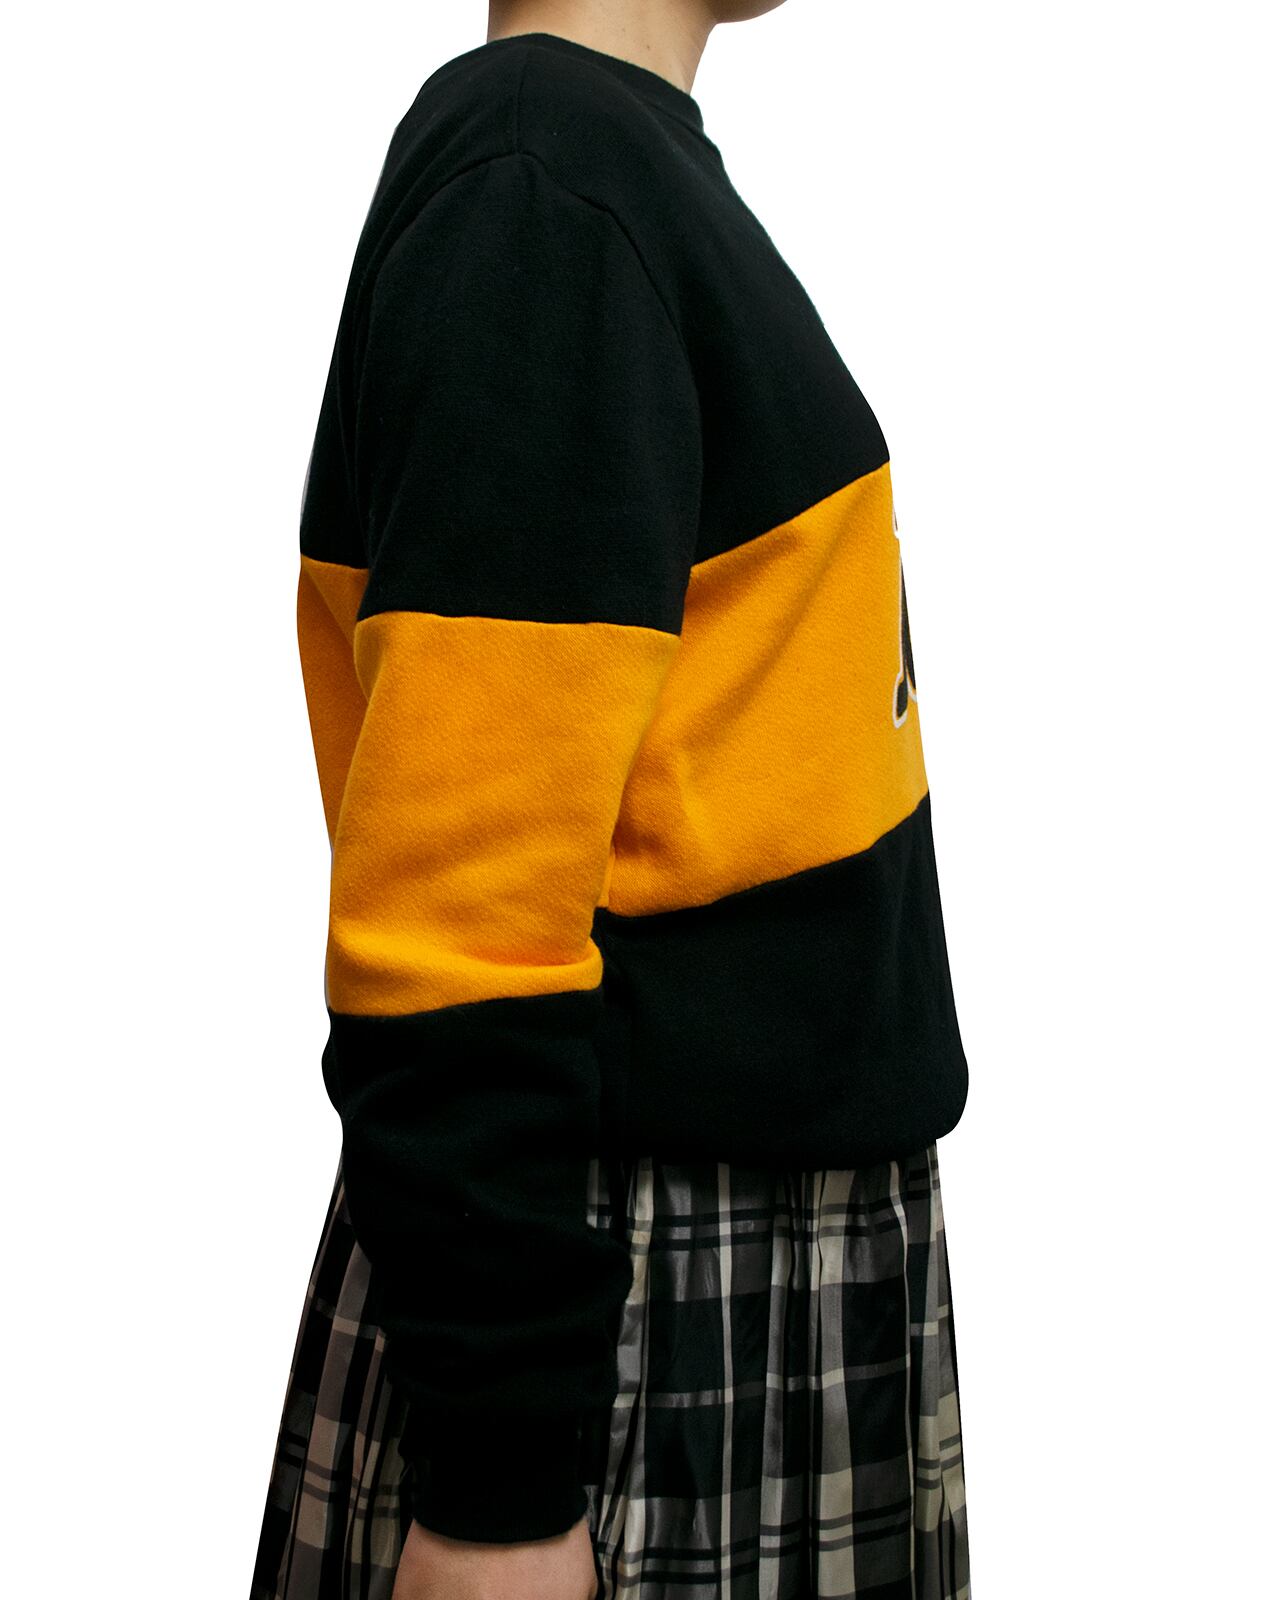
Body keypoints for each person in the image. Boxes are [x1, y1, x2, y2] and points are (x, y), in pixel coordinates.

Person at [250, 3, 973, 1597]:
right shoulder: (547, 190)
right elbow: (455, 922)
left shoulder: (598, 177)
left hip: (716, 1272)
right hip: (635, 1305)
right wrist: (500, 1497)